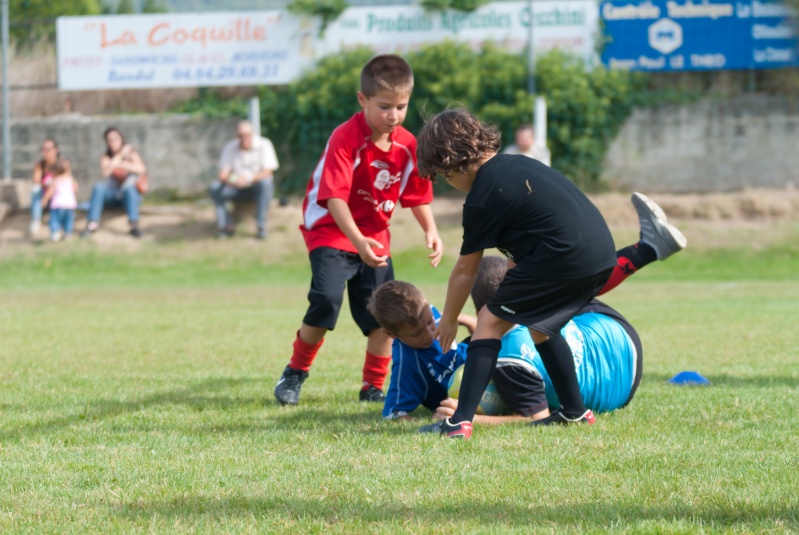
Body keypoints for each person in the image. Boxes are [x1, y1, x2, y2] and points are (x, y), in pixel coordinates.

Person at [415, 108, 686, 439]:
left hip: (562, 258)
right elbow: (532, 237)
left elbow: (464, 270)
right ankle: (574, 412)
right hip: (601, 252)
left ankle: (458, 423)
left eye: (443, 176)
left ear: (451, 162)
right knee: (542, 323)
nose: (448, 183)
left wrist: (450, 319)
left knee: (488, 321)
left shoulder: (483, 196)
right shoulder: (521, 165)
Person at [371, 196, 685, 423]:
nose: (431, 329)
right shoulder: (509, 356)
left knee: (564, 291)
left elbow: (536, 416)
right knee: (568, 286)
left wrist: (471, 417)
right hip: (620, 340)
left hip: (622, 383)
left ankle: (650, 247)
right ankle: (647, 249)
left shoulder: (505, 359)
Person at [273, 54, 443, 406]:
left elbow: (416, 195)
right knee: (325, 300)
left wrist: (431, 230)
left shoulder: (408, 145)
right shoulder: (346, 138)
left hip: (376, 238)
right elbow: (334, 199)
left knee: (386, 315)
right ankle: (295, 372)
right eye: (384, 106)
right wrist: (357, 241)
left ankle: (372, 385)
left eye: (401, 106)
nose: (393, 115)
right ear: (362, 99)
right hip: (332, 230)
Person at [209, 120, 280, 240]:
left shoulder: (264, 144)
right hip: (236, 188)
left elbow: (268, 171)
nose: (244, 138)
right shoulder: (230, 147)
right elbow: (222, 174)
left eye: (247, 135)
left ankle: (261, 226)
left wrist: (248, 178)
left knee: (266, 183)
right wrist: (234, 179)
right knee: (215, 187)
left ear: (253, 133)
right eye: (241, 135)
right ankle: (225, 226)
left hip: (256, 186)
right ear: (237, 135)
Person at [81, 127, 147, 238]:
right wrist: (120, 155)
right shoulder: (106, 157)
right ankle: (92, 225)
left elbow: (142, 169)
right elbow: (106, 172)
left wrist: (121, 164)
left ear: (121, 139)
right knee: (98, 187)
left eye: (115, 138)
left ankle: (134, 226)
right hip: (112, 197)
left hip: (127, 197)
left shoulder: (131, 154)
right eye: (109, 139)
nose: (112, 142)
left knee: (130, 189)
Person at [40, 158, 78, 242]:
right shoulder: (70, 179)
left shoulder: (56, 180)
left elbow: (50, 191)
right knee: (68, 221)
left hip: (57, 205)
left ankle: (55, 233)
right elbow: (75, 189)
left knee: (55, 220)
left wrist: (44, 200)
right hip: (69, 205)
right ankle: (68, 233)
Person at [29, 138, 61, 237]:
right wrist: (46, 185)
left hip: (57, 196)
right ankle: (36, 219)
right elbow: (36, 181)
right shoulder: (40, 164)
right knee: (35, 189)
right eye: (43, 149)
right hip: (44, 195)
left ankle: (56, 228)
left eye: (48, 149)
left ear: (56, 150)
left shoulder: (62, 164)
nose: (45, 152)